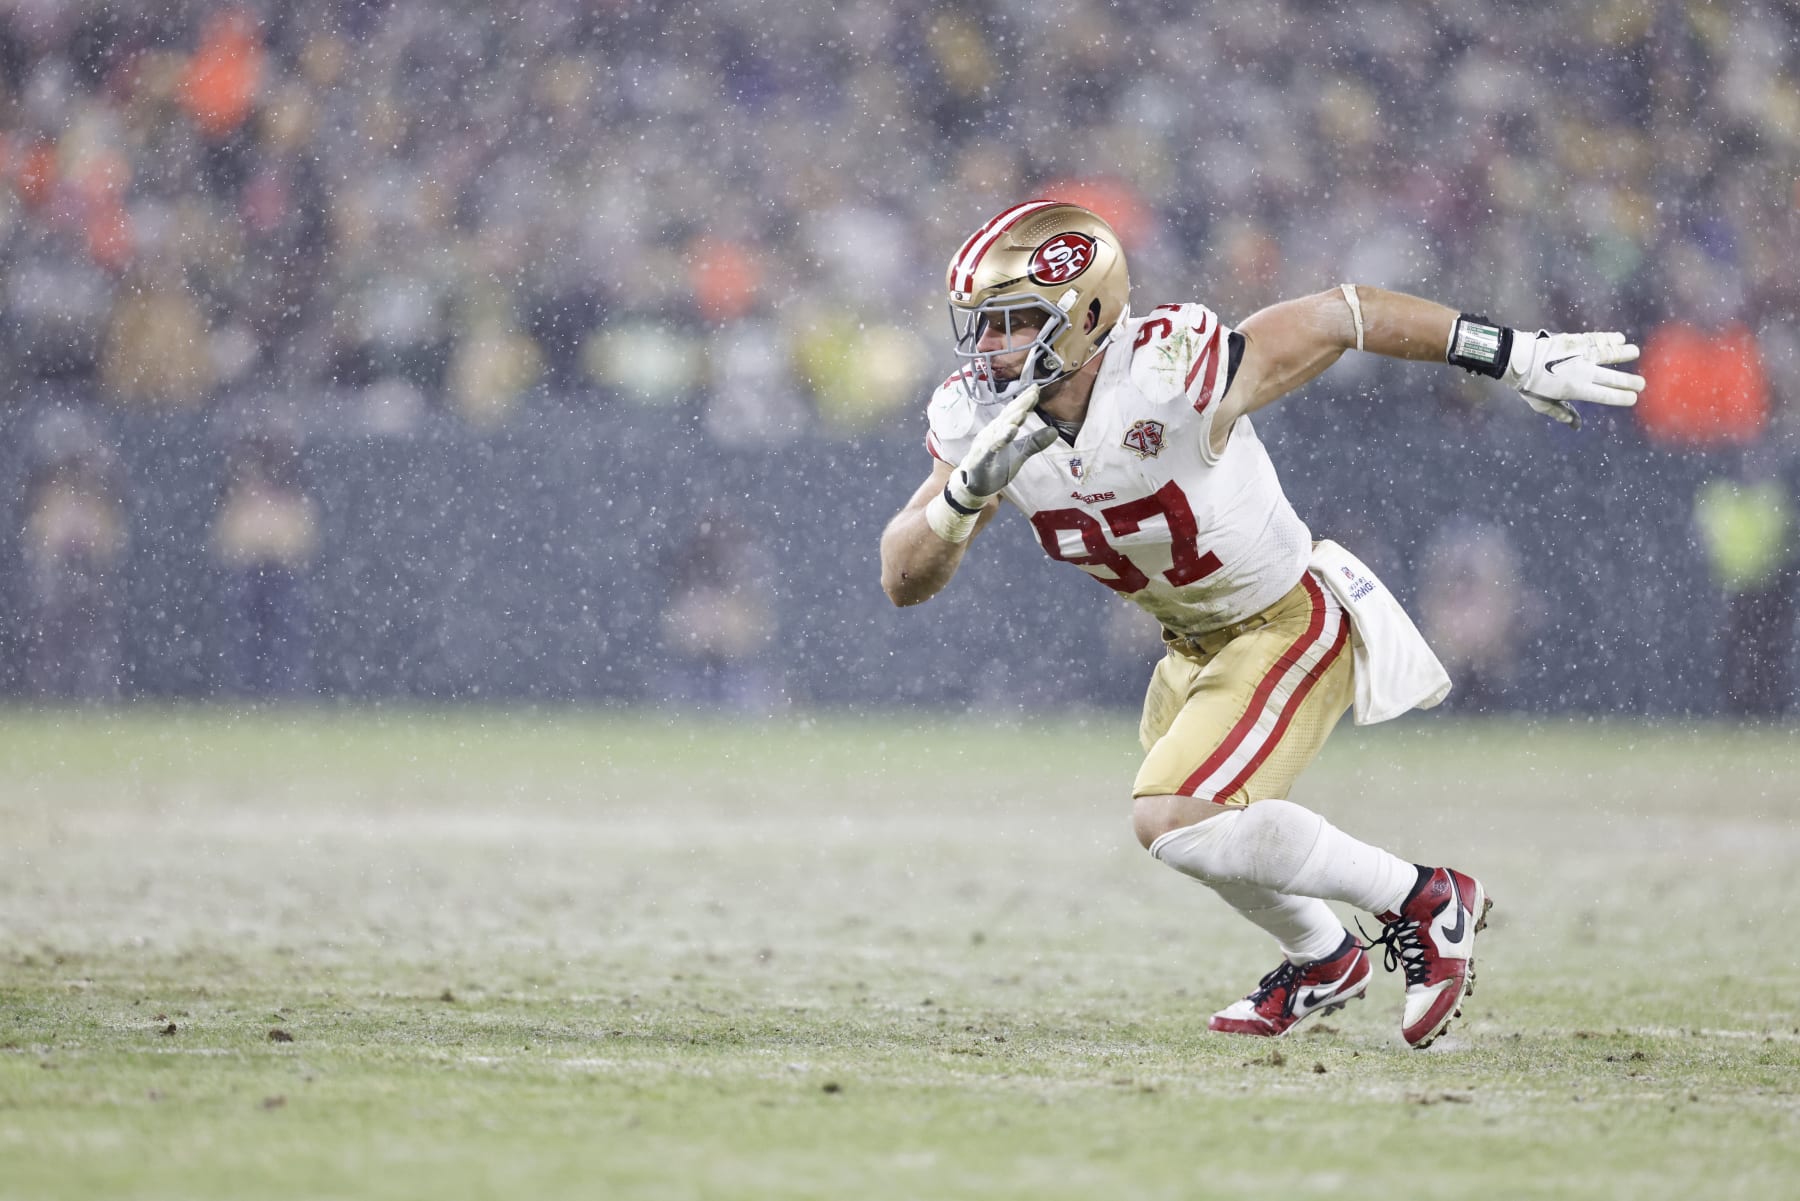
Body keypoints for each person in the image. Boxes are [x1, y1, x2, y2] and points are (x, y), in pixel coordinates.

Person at [879, 200, 1644, 1048]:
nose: (988, 349)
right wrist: (960, 497)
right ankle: (1322, 956)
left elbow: (1343, 314)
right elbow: (903, 579)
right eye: (980, 326)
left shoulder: (1169, 367)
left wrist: (1512, 355)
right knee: (1210, 832)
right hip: (1190, 647)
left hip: (1285, 616)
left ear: (1087, 315)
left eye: (1014, 323)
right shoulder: (980, 418)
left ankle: (1426, 898)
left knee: (1174, 814)